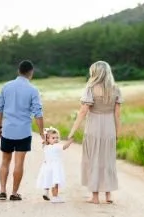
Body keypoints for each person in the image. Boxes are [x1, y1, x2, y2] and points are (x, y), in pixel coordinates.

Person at [66, 60, 122, 204]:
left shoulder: (90, 88)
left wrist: (72, 131)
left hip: (94, 127)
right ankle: (108, 195)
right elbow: (117, 114)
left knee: (93, 159)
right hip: (109, 127)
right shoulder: (116, 89)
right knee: (108, 160)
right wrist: (117, 133)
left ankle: (95, 197)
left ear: (95, 72)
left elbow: (83, 111)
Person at [0, 60, 45, 202]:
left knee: (5, 161)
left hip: (8, 130)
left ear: (18, 71)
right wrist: (42, 132)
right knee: (19, 163)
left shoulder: (6, 87)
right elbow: (38, 113)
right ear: (31, 72)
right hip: (23, 132)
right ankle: (14, 193)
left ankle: (2, 191)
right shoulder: (33, 90)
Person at [35, 126, 73, 203]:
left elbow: (44, 142)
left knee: (47, 179)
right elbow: (65, 147)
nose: (55, 139)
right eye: (53, 138)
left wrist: (45, 139)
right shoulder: (56, 146)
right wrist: (70, 141)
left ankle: (46, 192)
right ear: (48, 139)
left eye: (57, 138)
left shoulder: (45, 146)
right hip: (55, 167)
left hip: (46, 166)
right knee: (55, 182)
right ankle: (55, 197)